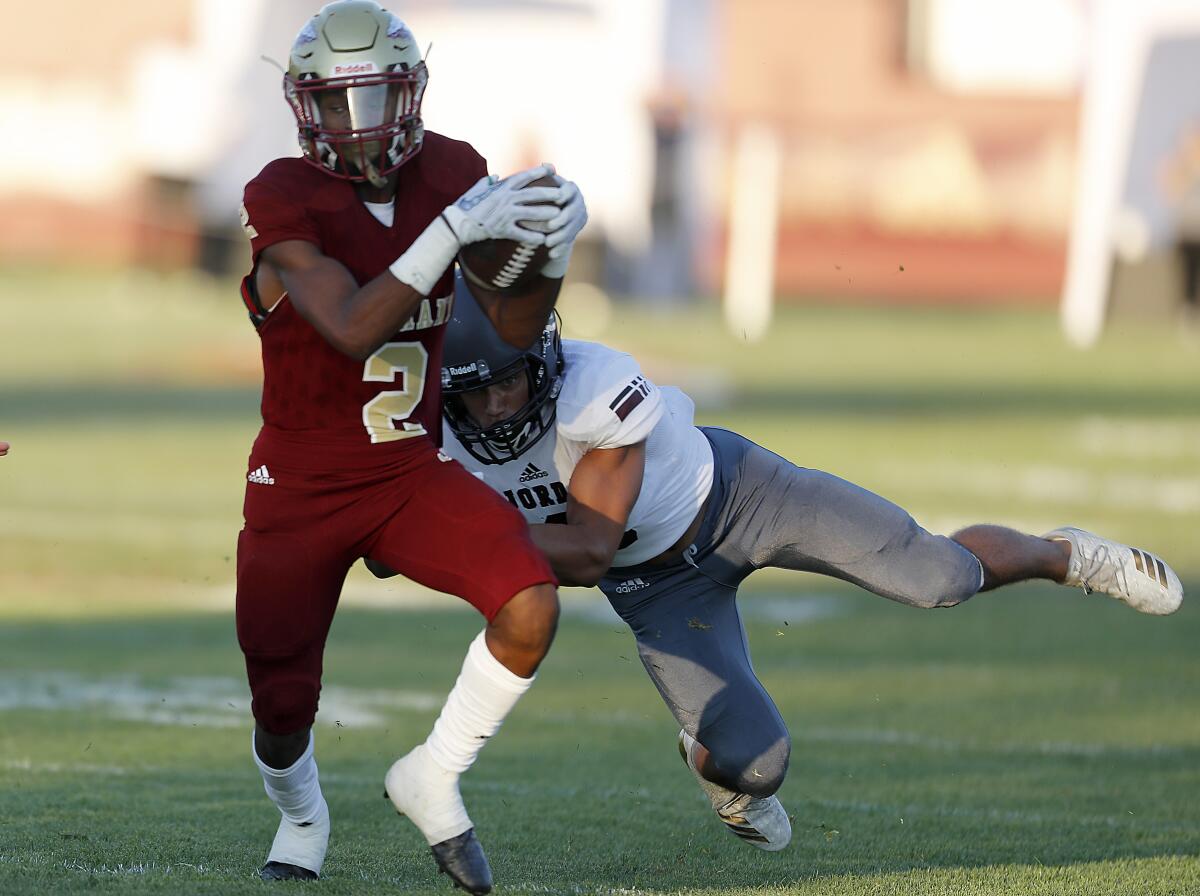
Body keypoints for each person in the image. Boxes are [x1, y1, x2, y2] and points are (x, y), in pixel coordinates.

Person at [371, 273, 1184, 853]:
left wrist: (436, 531)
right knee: (755, 765)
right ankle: (705, 756)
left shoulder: (596, 384)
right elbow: (383, 536)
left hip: (742, 494)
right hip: (655, 585)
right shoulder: (435, 435)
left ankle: (1067, 556)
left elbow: (584, 549)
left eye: (510, 384)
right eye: (474, 394)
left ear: (540, 358)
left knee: (936, 577)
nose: (497, 409)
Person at [235, 2, 586, 892]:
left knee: (530, 604)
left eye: (375, 99)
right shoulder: (281, 192)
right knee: (281, 706)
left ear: (412, 92)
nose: (358, 128)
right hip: (299, 484)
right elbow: (352, 328)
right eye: (337, 104)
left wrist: (549, 254)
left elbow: (508, 325)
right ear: (304, 107)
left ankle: (432, 774)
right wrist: (453, 232)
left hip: (406, 472)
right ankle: (303, 815)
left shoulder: (454, 171)